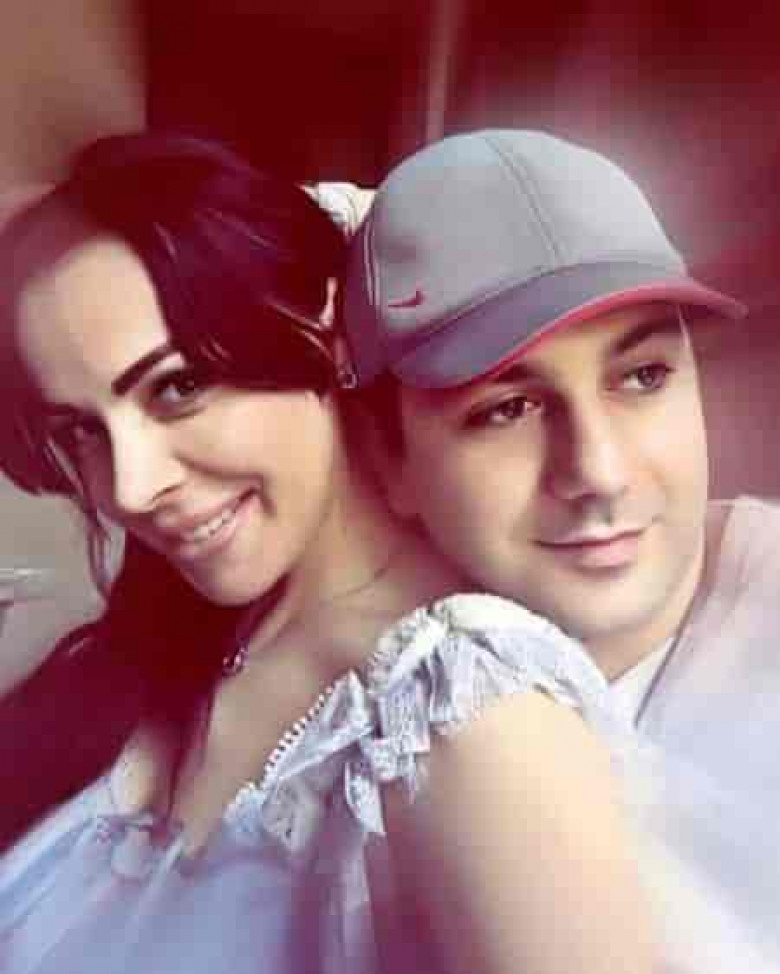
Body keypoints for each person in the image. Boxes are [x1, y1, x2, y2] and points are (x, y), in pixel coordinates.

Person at [0, 132, 662, 974]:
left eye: (178, 387)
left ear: (320, 328)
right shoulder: (188, 639)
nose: (129, 488)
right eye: (81, 431)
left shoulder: (463, 713)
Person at [342, 128, 780, 958]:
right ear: (385, 461)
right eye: (507, 409)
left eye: (643, 376)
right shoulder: (380, 729)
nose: (598, 472)